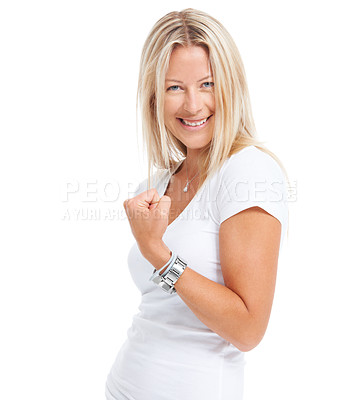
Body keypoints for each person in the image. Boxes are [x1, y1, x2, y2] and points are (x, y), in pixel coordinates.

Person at [105, 8, 289, 400]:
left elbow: (248, 330)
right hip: (122, 387)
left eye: (206, 84)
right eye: (175, 87)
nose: (192, 105)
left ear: (231, 86)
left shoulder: (249, 172)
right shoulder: (156, 184)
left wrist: (159, 253)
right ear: (155, 96)